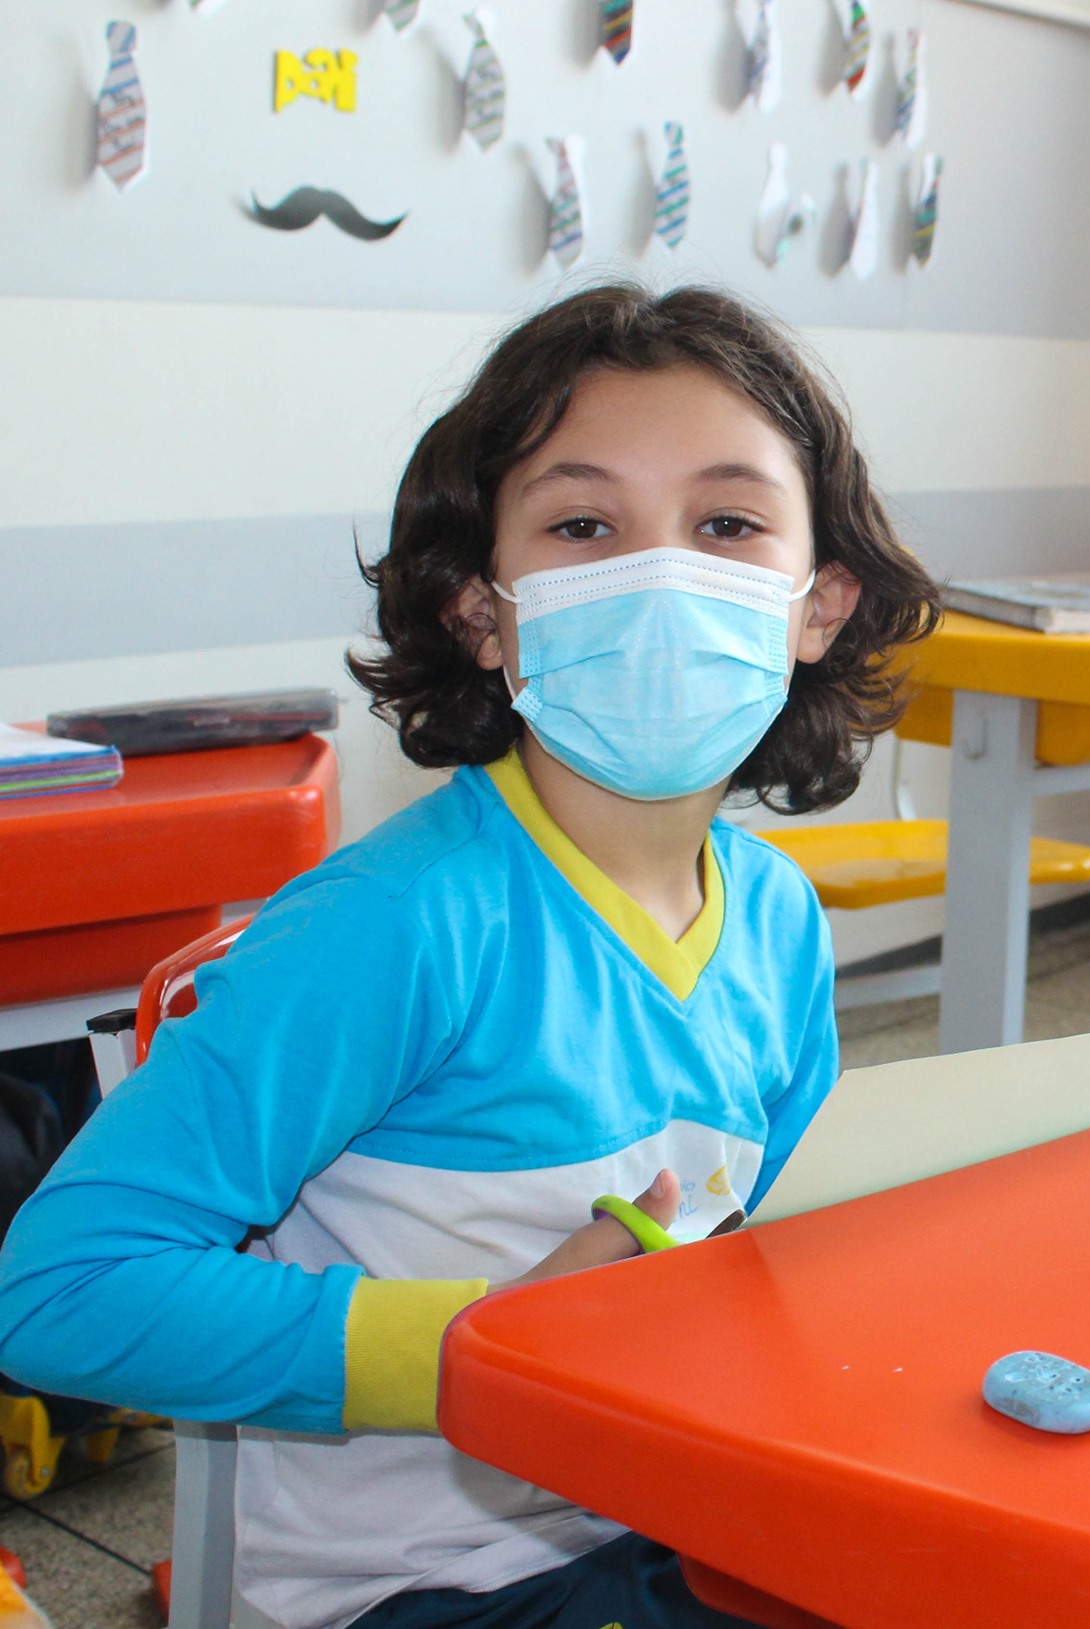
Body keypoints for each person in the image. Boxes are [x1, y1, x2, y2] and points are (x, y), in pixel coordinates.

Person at [0, 285, 942, 1629]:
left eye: (727, 523)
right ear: (480, 611)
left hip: (667, 1514)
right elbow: (60, 1290)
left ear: (819, 602)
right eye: (583, 525)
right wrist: (485, 1350)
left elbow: (757, 1263)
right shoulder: (395, 926)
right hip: (427, 1588)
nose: (664, 572)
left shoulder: (779, 922)